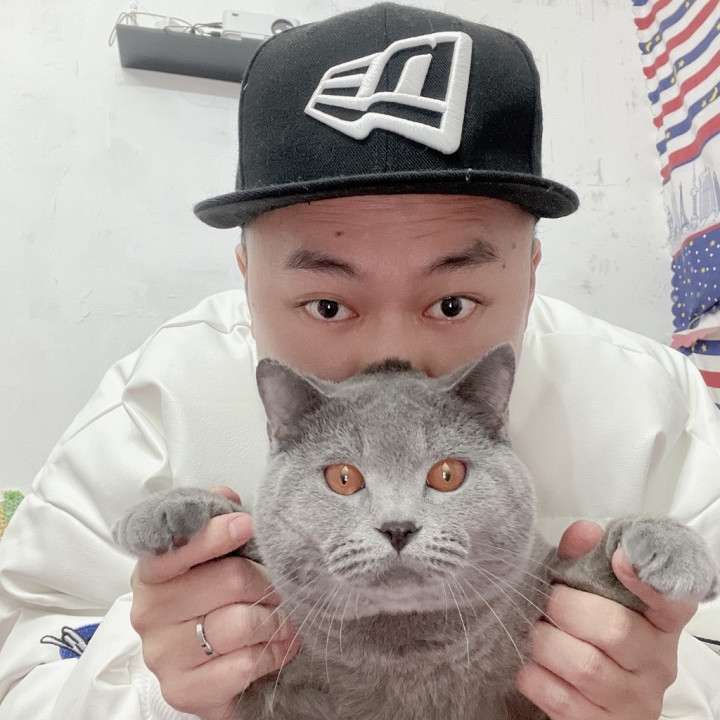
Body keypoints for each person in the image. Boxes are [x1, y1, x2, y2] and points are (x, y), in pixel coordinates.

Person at [0, 3, 718, 719]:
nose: (389, 353)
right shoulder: (162, 393)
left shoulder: (647, 397)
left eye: (452, 302)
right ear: (246, 277)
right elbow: (25, 666)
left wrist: (659, 687)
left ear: (530, 274)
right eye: (327, 304)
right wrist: (157, 689)